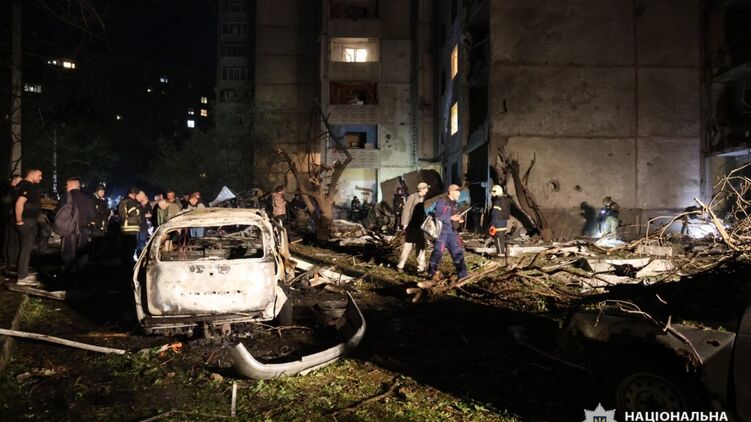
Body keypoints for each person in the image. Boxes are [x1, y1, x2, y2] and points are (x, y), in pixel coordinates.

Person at [427, 184, 468, 280]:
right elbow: (438, 216)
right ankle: (431, 273)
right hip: (443, 233)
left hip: (453, 233)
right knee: (438, 252)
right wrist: (450, 218)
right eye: (457, 191)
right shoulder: (442, 201)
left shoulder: (455, 204)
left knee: (458, 252)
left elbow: (453, 216)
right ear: (451, 192)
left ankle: (463, 275)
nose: (459, 194)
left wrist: (458, 219)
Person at [58, 177, 96, 276]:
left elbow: (58, 213)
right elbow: (92, 217)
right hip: (83, 232)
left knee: (68, 257)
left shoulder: (65, 197)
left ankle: (68, 277)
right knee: (82, 257)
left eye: (67, 185)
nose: (66, 187)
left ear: (71, 185)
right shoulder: (87, 199)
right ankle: (81, 277)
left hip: (69, 232)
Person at [14, 169, 43, 286]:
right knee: (26, 249)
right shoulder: (28, 186)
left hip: (26, 221)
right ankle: (22, 277)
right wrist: (19, 221)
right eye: (39, 175)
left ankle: (22, 272)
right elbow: (19, 203)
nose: (41, 178)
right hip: (27, 222)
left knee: (23, 248)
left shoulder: (20, 184)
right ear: (32, 174)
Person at [396, 182, 429, 273]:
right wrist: (405, 223)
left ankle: (421, 267)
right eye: (426, 188)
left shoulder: (425, 198)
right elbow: (406, 210)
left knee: (421, 246)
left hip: (421, 226)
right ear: (422, 189)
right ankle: (400, 265)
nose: (427, 190)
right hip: (411, 225)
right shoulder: (412, 197)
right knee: (408, 246)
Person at [2, 174, 23, 270]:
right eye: (20, 181)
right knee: (13, 240)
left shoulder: (8, 190)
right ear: (14, 182)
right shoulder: (12, 191)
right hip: (11, 218)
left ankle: (8, 261)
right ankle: (11, 262)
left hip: (8, 218)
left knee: (9, 240)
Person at [118, 187, 141, 267]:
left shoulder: (123, 201)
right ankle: (128, 264)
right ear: (134, 194)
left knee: (125, 247)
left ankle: (124, 263)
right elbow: (133, 213)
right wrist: (139, 214)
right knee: (131, 247)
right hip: (131, 227)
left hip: (125, 227)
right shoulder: (131, 202)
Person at [489, 185, 511, 258]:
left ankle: (500, 256)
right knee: (501, 240)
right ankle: (502, 254)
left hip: (497, 224)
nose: (492, 193)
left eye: (493, 191)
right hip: (504, 223)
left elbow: (495, 214)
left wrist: (492, 224)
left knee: (498, 240)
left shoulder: (497, 201)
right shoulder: (506, 200)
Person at [135, 191, 153, 258]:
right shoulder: (136, 204)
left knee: (142, 242)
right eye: (143, 196)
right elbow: (136, 215)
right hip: (136, 226)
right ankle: (137, 256)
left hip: (143, 227)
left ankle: (141, 256)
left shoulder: (147, 205)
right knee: (137, 242)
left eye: (144, 197)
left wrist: (147, 215)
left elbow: (150, 214)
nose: (144, 198)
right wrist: (144, 215)